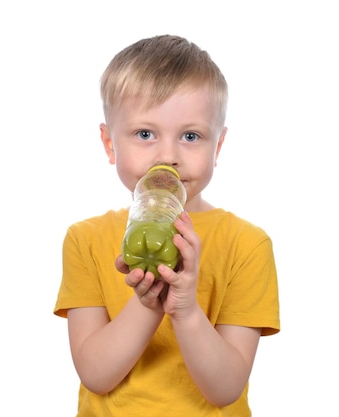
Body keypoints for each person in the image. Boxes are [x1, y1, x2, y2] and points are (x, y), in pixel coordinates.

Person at [53, 34, 280, 416]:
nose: (168, 155)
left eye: (191, 136)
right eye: (145, 134)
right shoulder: (85, 239)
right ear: (110, 145)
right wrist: (149, 302)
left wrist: (187, 310)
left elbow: (225, 388)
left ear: (217, 147)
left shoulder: (247, 244)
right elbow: (95, 372)